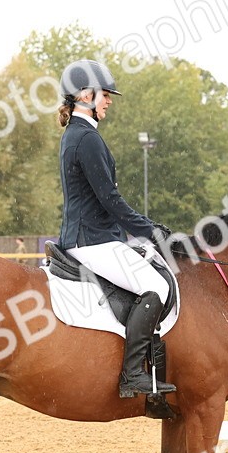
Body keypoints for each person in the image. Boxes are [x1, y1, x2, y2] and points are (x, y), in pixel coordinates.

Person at [56, 59, 176, 399]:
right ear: (84, 95)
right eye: (104, 94)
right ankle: (132, 375)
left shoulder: (77, 134)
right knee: (156, 286)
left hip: (90, 236)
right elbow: (110, 199)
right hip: (92, 241)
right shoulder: (87, 138)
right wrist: (149, 230)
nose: (109, 101)